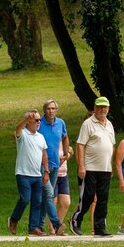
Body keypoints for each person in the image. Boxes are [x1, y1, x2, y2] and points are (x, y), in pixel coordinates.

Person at [71, 96, 116, 237]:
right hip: (90, 167)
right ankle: (76, 219)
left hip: (105, 168)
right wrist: (81, 166)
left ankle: (99, 228)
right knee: (88, 196)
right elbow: (80, 145)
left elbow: (112, 146)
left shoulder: (109, 124)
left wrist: (111, 165)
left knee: (103, 198)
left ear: (108, 109)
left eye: (105, 107)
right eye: (100, 107)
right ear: (95, 108)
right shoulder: (88, 124)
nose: (102, 109)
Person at [8, 109, 52, 236]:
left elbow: (44, 155)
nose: (39, 122)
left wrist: (46, 171)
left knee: (37, 201)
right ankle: (13, 219)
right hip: (23, 173)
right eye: (36, 120)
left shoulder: (40, 137)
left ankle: (33, 227)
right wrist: (26, 119)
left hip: (37, 174)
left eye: (39, 120)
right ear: (28, 122)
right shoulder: (22, 134)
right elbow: (17, 129)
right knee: (25, 199)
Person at [39, 100, 73, 235]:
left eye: (53, 108)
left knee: (47, 197)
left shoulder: (60, 123)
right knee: (49, 195)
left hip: (55, 165)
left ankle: (39, 226)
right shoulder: (39, 123)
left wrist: (65, 153)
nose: (51, 111)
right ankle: (56, 226)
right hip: (41, 165)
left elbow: (65, 137)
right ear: (44, 110)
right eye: (48, 108)